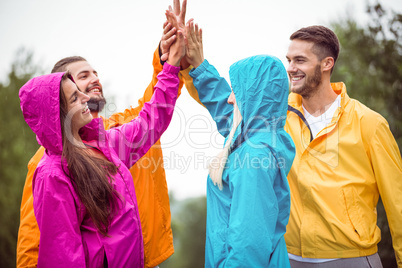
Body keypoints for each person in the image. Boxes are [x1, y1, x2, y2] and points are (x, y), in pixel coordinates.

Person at [16, 1, 195, 267]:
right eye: (82, 80)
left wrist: (168, 62)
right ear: (57, 106)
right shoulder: (48, 170)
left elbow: (152, 115)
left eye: (96, 73)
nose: (95, 80)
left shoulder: (108, 139)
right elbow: (44, 249)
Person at [283, 25, 402, 268]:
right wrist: (193, 68)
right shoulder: (278, 115)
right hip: (289, 258)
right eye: (289, 60)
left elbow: (398, 205)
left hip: (351, 259)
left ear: (327, 64)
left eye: (300, 60)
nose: (290, 68)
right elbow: (229, 107)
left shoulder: (369, 124)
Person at [184, 21, 296, 267]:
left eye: (236, 90)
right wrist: (198, 66)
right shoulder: (258, 137)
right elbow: (224, 108)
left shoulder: (254, 157)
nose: (231, 97)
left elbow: (248, 248)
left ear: (252, 99)